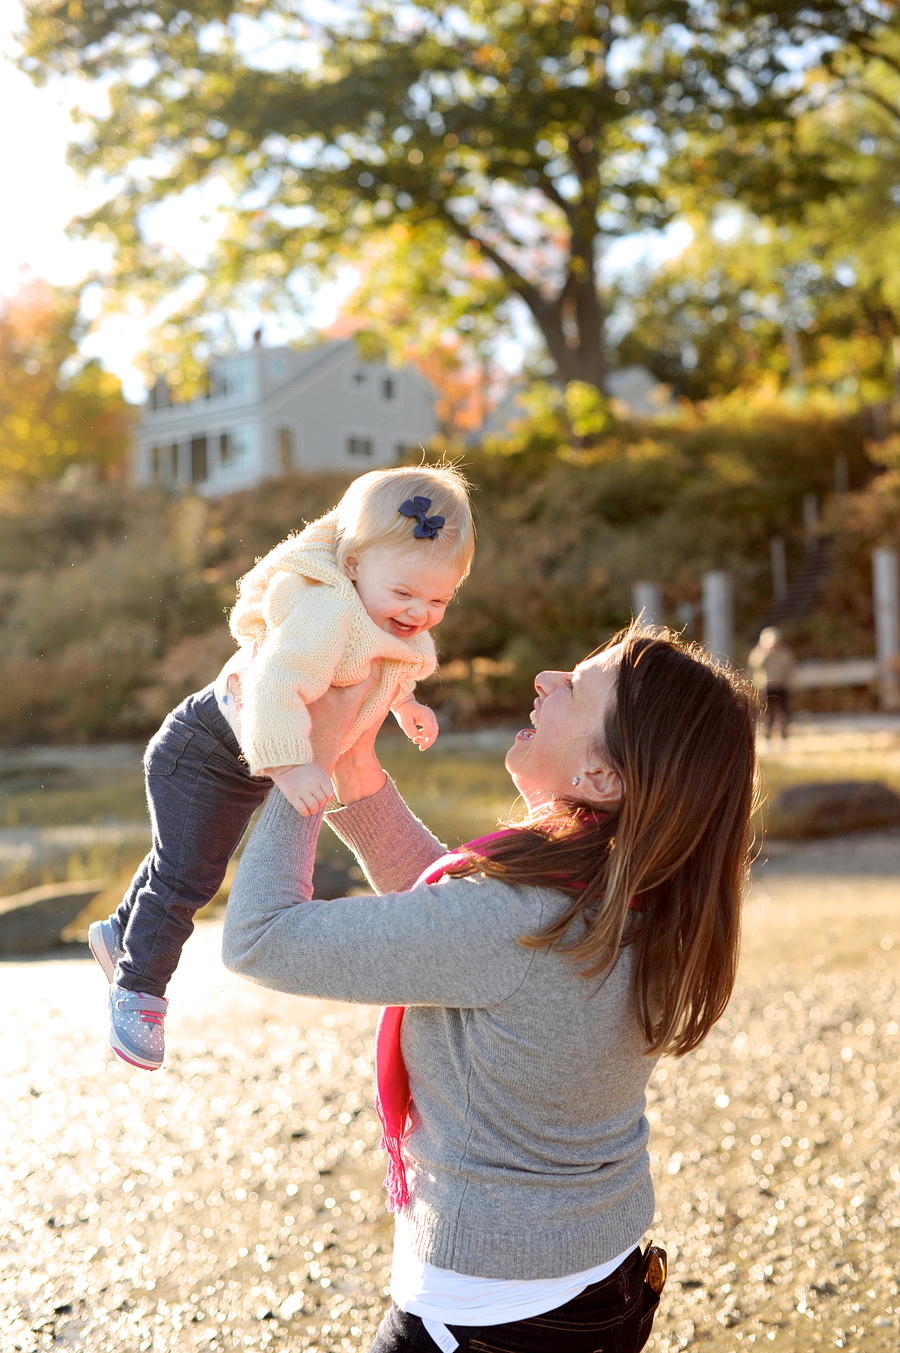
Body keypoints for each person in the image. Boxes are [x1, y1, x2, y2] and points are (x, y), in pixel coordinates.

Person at [222, 624, 759, 1353]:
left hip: (487, 1317)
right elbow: (460, 933)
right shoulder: (644, 895)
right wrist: (356, 780)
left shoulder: (517, 916)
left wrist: (302, 766)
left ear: (603, 778)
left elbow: (260, 935)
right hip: (605, 1284)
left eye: (576, 684)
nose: (545, 677)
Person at [88, 464, 475, 1072]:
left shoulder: (389, 618)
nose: (418, 613)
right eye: (403, 595)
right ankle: (139, 988)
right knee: (191, 871)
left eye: (439, 600)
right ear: (352, 565)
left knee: (186, 855)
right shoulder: (326, 614)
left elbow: (387, 667)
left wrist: (407, 704)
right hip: (205, 750)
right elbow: (275, 686)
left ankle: (120, 932)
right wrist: (294, 768)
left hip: (249, 760)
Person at [747, 625, 795, 739]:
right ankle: (767, 736)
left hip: (781, 686)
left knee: (784, 713)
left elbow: (789, 670)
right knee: (766, 715)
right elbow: (753, 669)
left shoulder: (785, 654)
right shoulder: (758, 653)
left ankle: (784, 736)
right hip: (766, 687)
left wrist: (790, 685)